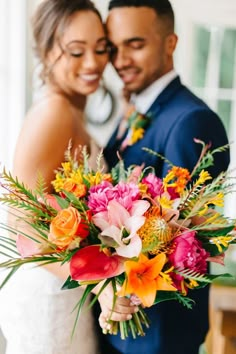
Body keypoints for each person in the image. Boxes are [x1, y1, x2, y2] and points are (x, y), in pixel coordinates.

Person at [97, 1, 230, 354]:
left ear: (170, 43)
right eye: (114, 47)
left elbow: (179, 244)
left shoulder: (191, 121)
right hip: (124, 331)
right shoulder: (140, 109)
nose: (120, 59)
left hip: (156, 335)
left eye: (135, 44)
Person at [0, 1, 110, 353]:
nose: (93, 63)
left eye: (100, 48)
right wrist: (99, 283)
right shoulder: (54, 112)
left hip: (66, 289)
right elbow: (23, 224)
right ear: (47, 52)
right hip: (49, 298)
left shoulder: (70, 108)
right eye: (76, 52)